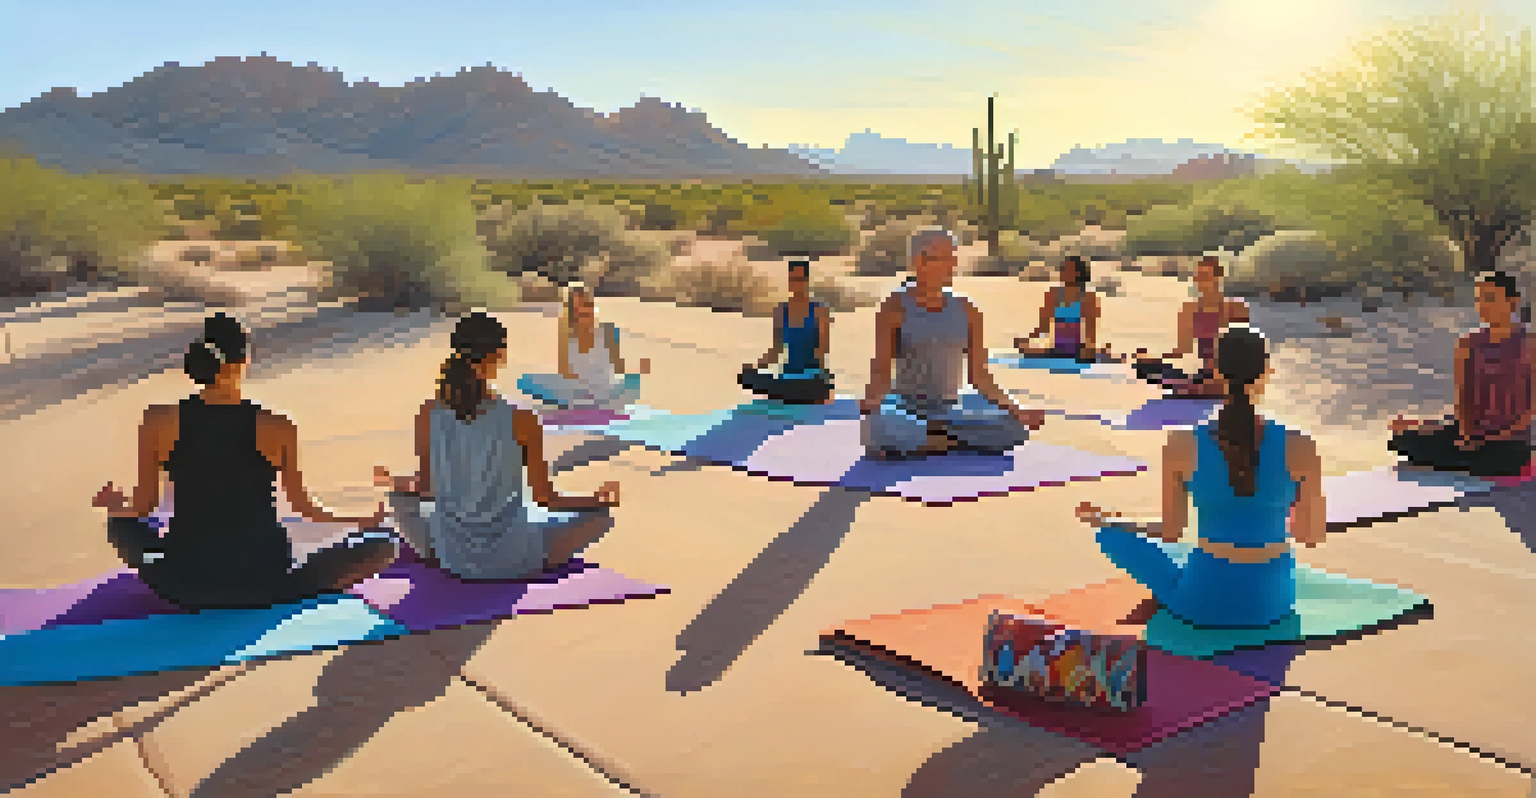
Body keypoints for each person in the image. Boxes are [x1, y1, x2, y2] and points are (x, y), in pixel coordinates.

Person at [93, 313, 400, 610]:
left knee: (121, 525)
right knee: (384, 544)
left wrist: (117, 505)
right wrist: (360, 521)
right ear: (244, 361)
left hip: (184, 584)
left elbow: (144, 506)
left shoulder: (158, 420)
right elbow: (305, 508)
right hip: (268, 583)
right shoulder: (277, 425)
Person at [1076, 324, 1326, 628]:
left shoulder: (1183, 443)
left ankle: (1112, 533)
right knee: (1190, 552)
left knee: (1110, 537)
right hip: (1274, 603)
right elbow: (1310, 535)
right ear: (1267, 373)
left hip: (1203, 603)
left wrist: (1112, 521)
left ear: (1216, 371)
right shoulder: (1301, 444)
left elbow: (1171, 531)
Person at [377, 311, 620, 581]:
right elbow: (546, 499)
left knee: (398, 501)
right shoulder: (523, 418)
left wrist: (397, 484)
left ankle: (440, 546)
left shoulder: (428, 413)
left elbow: (426, 488)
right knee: (602, 516)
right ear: (500, 354)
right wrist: (594, 500)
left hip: (450, 557)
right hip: (514, 557)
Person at [860, 227, 1047, 459]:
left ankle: (932, 440)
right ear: (920, 262)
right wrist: (872, 408)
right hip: (905, 407)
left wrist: (1018, 410)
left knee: (1013, 428)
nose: (953, 265)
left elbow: (979, 376)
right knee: (880, 426)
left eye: (954, 257)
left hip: (951, 408)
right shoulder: (894, 306)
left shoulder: (967, 309)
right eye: (946, 258)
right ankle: (938, 439)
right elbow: (881, 369)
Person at [1389, 270, 1533, 477]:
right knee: (1402, 441)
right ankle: (1432, 433)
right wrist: (1467, 433)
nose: (1483, 306)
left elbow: (1531, 408)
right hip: (1473, 430)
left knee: (1504, 462)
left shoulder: (1529, 344)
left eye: (1491, 299)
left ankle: (1443, 440)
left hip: (1511, 438)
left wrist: (1498, 436)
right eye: (1479, 300)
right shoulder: (1468, 343)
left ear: (1513, 301)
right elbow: (1464, 395)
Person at [517, 283, 649, 412]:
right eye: (578, 309)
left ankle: (587, 403)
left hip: (606, 390)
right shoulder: (566, 335)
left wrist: (637, 369)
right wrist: (581, 388)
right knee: (527, 381)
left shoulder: (608, 330)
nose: (584, 311)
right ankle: (581, 403)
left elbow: (619, 368)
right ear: (572, 313)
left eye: (587, 305)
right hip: (577, 391)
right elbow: (564, 373)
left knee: (632, 385)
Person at [1134, 255, 1250, 397]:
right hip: (1204, 373)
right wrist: (1153, 358)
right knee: (1144, 368)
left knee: (1216, 381)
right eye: (1198, 276)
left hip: (1228, 373)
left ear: (1218, 278)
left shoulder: (1235, 307)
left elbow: (1243, 349)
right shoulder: (1189, 309)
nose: (1200, 281)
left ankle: (1198, 388)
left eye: (1205, 276)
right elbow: (1182, 350)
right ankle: (1194, 387)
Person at [739, 259, 835, 404]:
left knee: (808, 386)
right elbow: (776, 351)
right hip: (788, 376)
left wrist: (822, 377)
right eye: (794, 279)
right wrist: (755, 366)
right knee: (747, 377)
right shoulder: (780, 311)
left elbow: (823, 350)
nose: (797, 284)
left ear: (807, 281)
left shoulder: (820, 311)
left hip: (811, 377)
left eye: (801, 279)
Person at [1014, 255, 1113, 362]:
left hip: (1078, 348)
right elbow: (1043, 326)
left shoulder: (1088, 298)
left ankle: (1096, 352)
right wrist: (1028, 339)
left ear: (1078, 273)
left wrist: (1089, 348)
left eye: (1067, 269)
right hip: (1058, 348)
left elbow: (1090, 327)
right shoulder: (1053, 294)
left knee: (1087, 354)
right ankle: (1098, 352)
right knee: (1029, 352)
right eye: (1062, 269)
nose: (1062, 272)